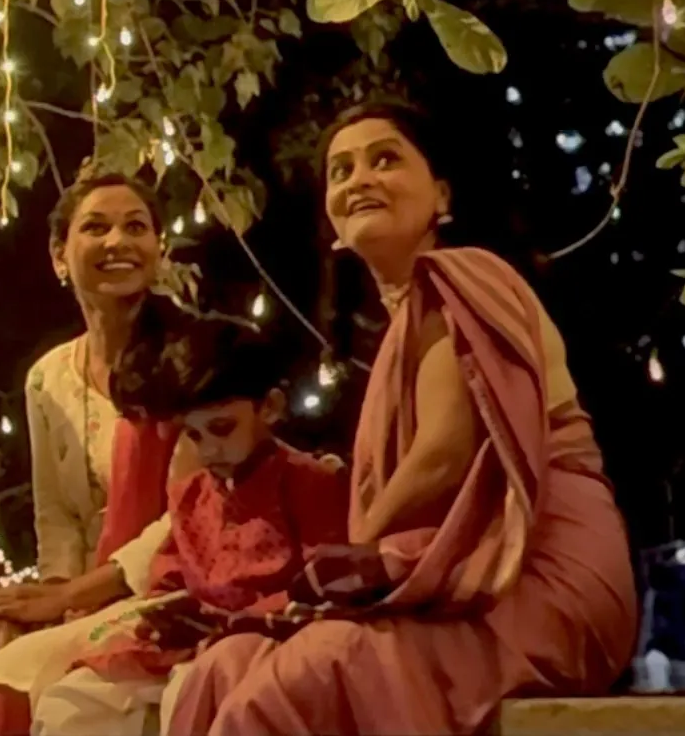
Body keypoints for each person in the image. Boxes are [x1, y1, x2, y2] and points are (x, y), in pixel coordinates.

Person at [167, 99, 638, 734]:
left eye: (384, 160)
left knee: (300, 677)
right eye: (341, 171)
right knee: (223, 666)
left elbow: (444, 456)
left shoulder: (464, 277)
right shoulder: (402, 324)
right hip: (449, 580)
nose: (359, 180)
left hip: (533, 575)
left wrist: (339, 568)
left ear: (441, 194)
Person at [0, 170, 195, 736]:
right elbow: (57, 517)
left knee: (19, 675)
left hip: (177, 584)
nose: (117, 241)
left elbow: (191, 515)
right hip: (87, 596)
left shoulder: (190, 360)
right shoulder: (48, 378)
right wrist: (48, 602)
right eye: (95, 227)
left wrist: (72, 598)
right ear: (59, 257)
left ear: (158, 248)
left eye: (135, 227)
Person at [29, 319, 349, 735]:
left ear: (269, 407)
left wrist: (240, 621)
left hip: (263, 645)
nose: (209, 449)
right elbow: (170, 571)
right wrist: (163, 614)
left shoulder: (309, 481)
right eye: (194, 435)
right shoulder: (191, 494)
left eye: (222, 428)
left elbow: (321, 582)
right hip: (186, 644)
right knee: (70, 702)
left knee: (188, 693)